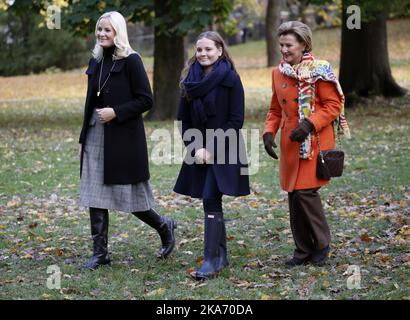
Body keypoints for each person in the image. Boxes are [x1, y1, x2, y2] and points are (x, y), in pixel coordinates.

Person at [78, 11, 176, 270]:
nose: (101, 34)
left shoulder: (132, 60)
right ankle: (100, 254)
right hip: (95, 133)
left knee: (132, 198)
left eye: (107, 30)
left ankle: (164, 225)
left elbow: (146, 100)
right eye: (99, 29)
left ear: (118, 32)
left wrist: (116, 112)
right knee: (93, 194)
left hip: (122, 137)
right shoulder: (97, 59)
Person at [263, 21, 350, 267]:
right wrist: (268, 132)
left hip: (315, 142)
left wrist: (309, 124)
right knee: (294, 196)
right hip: (291, 143)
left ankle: (321, 244)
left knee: (305, 192)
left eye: (289, 45)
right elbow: (274, 109)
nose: (284, 50)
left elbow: (333, 106)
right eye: (281, 45)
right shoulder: (278, 73)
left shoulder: (319, 70)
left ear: (303, 44)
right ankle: (302, 251)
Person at [174, 31, 250, 280]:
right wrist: (196, 149)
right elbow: (182, 121)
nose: (203, 54)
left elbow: (236, 120)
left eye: (209, 49)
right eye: (199, 50)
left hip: (225, 148)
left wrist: (213, 148)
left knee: (209, 196)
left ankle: (210, 260)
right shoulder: (189, 81)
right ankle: (220, 256)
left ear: (220, 50)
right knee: (211, 199)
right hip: (199, 150)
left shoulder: (231, 79)